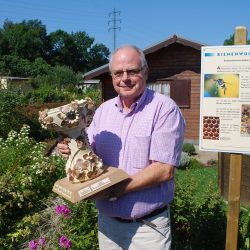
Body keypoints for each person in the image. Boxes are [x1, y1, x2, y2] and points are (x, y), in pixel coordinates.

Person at [57, 45, 185, 250]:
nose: (124, 78)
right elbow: (90, 153)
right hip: (107, 225)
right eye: (118, 73)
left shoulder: (164, 109)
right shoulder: (103, 111)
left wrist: (114, 191)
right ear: (112, 76)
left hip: (147, 229)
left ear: (145, 72)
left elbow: (163, 170)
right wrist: (72, 147)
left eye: (132, 71)